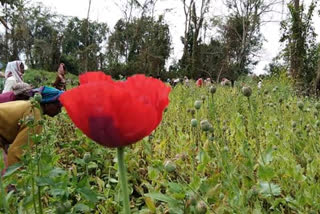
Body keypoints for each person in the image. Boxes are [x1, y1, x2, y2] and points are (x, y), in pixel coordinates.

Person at [0, 86, 63, 175]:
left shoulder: (30, 105)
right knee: (4, 175)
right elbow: (15, 153)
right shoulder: (34, 116)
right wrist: (15, 181)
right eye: (58, 106)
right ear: (47, 103)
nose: (59, 110)